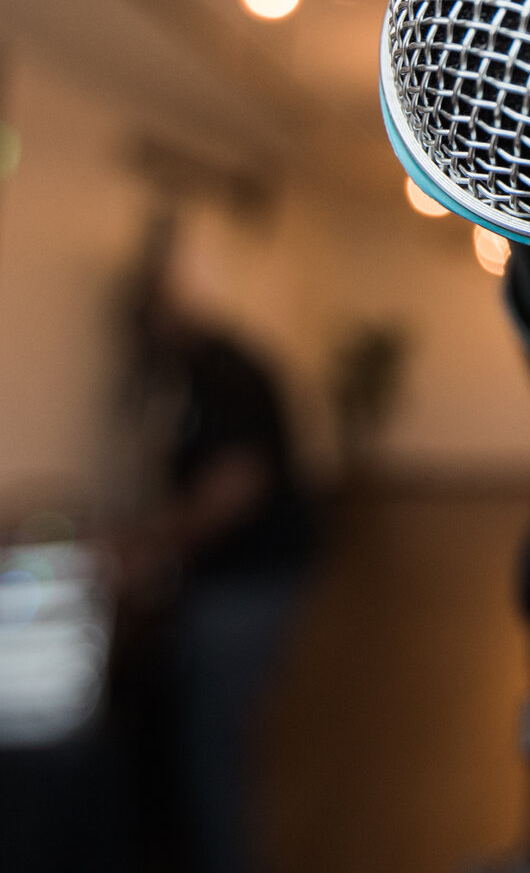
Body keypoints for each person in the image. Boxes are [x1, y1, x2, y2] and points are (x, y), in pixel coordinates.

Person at [141, 314, 316, 873]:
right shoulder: (212, 372)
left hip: (249, 580)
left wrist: (156, 543)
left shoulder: (225, 378)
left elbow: (237, 481)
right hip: (247, 577)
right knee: (219, 733)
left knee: (214, 737)